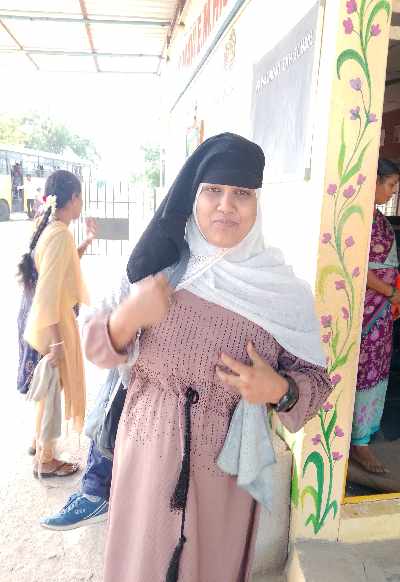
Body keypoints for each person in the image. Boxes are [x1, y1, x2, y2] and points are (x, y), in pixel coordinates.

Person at [82, 133, 332, 582]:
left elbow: (316, 384)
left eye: (242, 194)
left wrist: (279, 389)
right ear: (194, 198)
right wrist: (126, 319)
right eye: (213, 190)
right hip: (145, 454)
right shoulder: (156, 267)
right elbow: (95, 348)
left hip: (223, 477)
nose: (226, 206)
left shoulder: (283, 292)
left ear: (257, 204)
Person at [17, 169, 95, 477]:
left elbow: (63, 267)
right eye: (80, 197)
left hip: (40, 319)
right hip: (52, 322)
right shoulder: (60, 234)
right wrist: (57, 342)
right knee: (52, 388)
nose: (81, 203)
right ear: (73, 198)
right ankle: (46, 459)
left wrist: (88, 240)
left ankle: (38, 442)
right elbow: (49, 291)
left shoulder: (49, 226)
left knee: (48, 385)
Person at [350, 158, 400, 474]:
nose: (393, 191)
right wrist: (390, 292)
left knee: (377, 371)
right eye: (391, 184)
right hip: (367, 310)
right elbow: (358, 266)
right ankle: (358, 444)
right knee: (363, 370)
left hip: (381, 310)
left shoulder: (378, 218)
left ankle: (363, 436)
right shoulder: (357, 218)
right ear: (375, 181)